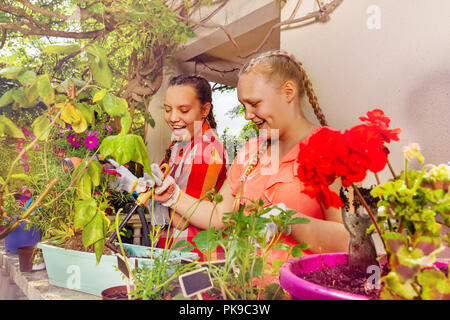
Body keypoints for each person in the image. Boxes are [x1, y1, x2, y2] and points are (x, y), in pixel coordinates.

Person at [150, 50, 349, 263]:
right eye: (243, 106)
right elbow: (219, 216)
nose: (247, 115)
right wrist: (173, 196)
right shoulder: (250, 152)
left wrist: (289, 223)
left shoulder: (329, 147)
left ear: (288, 92)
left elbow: (349, 241)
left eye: (254, 104)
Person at [109, 74, 228, 260]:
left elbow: (181, 221)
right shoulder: (181, 146)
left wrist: (137, 189)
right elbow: (165, 203)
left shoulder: (205, 148)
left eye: (184, 110)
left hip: (195, 257)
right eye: (167, 109)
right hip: (175, 251)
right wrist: (143, 190)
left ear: (204, 110)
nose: (173, 118)